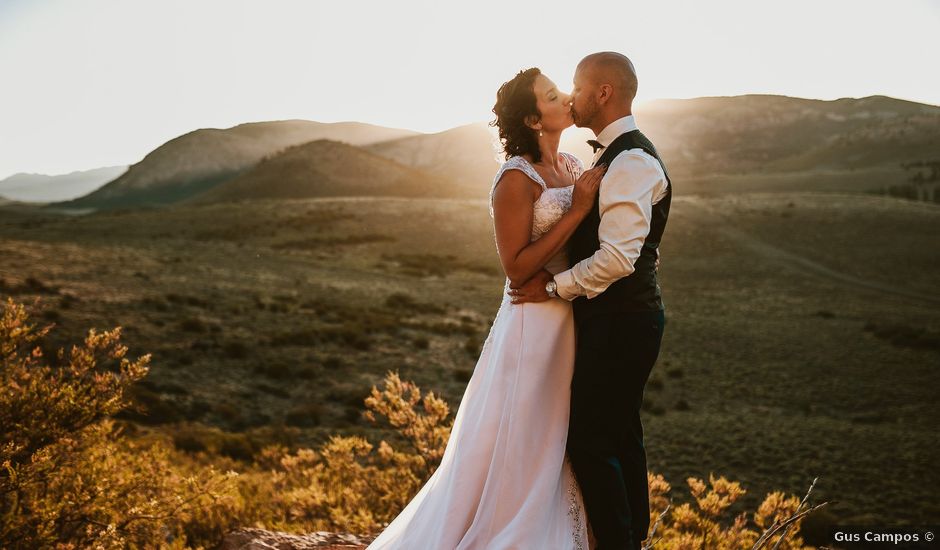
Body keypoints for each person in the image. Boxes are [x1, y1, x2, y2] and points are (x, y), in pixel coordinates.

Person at [366, 67, 606, 550]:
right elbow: (515, 269)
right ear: (534, 119)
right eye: (553, 95)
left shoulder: (574, 168)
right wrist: (578, 211)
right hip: (531, 320)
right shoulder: (515, 178)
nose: (565, 99)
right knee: (524, 428)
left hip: (568, 314)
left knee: (556, 429)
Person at [509, 52, 672, 550]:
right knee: (621, 434)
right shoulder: (609, 156)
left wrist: (555, 288)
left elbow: (619, 259)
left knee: (590, 440)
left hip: (623, 319)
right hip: (615, 318)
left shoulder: (633, 160)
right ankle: (632, 540)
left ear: (602, 93)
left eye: (577, 88)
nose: (572, 98)